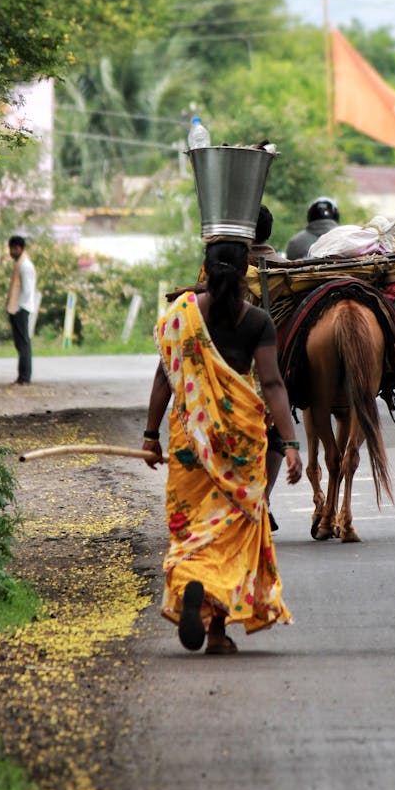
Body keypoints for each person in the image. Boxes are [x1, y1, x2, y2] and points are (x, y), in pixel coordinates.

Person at [142, 239, 302, 655]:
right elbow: (271, 384)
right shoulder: (258, 321)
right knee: (233, 529)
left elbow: (164, 378)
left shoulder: (181, 316)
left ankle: (194, 579)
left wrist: (149, 435)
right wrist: (291, 443)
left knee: (192, 527)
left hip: (189, 441)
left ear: (205, 270)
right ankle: (216, 631)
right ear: (246, 271)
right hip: (241, 442)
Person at [249, 205, 285, 532]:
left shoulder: (223, 270)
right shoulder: (288, 271)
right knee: (276, 434)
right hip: (274, 368)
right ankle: (265, 497)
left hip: (232, 368)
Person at [6, 234, 37, 385]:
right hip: (17, 308)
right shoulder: (19, 264)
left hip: (21, 308)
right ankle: (22, 376)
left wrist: (18, 307)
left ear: (22, 249)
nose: (13, 251)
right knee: (20, 344)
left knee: (23, 343)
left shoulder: (25, 266)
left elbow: (27, 290)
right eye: (11, 248)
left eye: (15, 248)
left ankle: (25, 377)